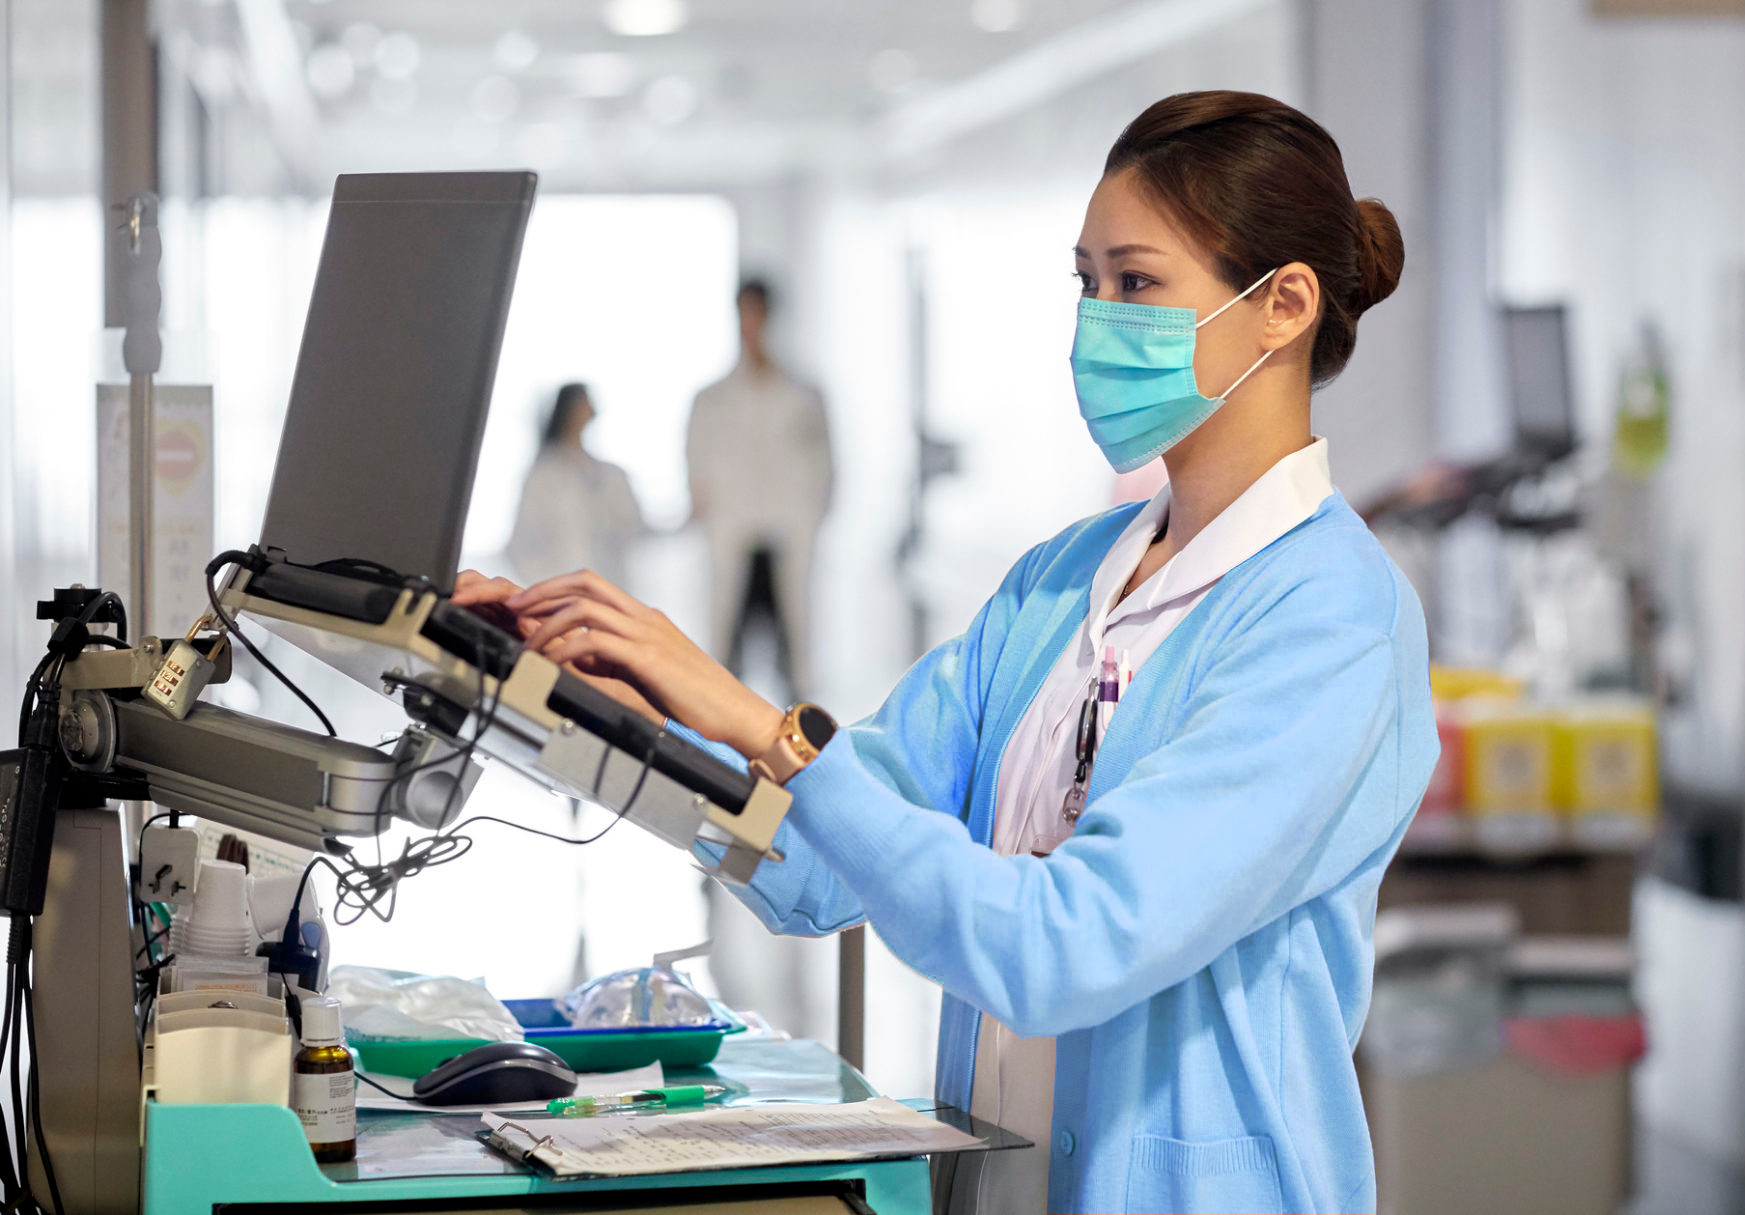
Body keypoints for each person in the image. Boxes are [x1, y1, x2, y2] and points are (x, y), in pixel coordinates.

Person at [459, 91, 1436, 1215]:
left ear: (1284, 307)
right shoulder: (1064, 581)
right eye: (1087, 283)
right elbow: (812, 865)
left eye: (1137, 283)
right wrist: (581, 696)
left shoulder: (1329, 621)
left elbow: (1063, 949)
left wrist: (758, 723)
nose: (1098, 322)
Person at [686, 279, 834, 698]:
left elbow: (825, 464)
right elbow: (697, 469)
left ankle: (797, 727)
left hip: (789, 528)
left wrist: (809, 512)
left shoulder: (804, 395)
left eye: (758, 313)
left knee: (794, 643)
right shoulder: (711, 399)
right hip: (732, 528)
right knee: (727, 644)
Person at [506, 383, 648, 588]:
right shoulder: (543, 475)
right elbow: (521, 545)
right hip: (559, 588)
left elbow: (634, 527)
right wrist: (547, 586)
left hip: (608, 587)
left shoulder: (610, 475)